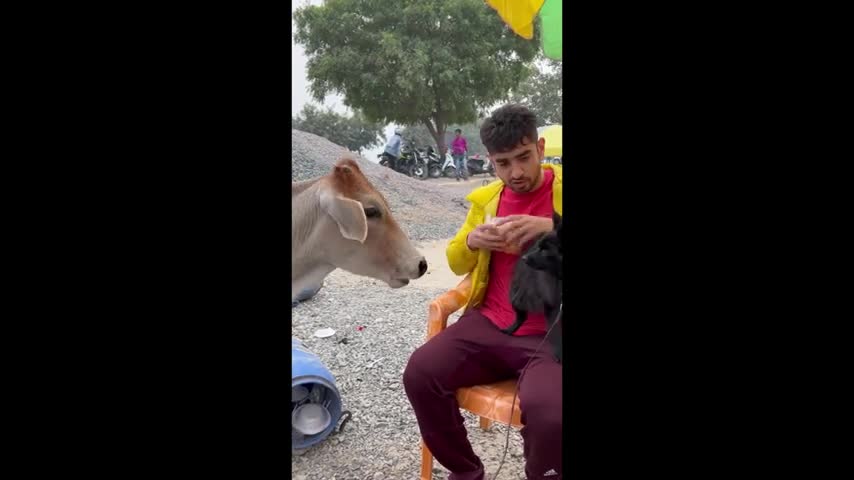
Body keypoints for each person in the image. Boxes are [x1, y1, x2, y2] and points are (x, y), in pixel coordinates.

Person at [403, 104, 563, 480]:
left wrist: (550, 227)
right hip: (489, 323)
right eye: (503, 163)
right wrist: (473, 241)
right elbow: (458, 262)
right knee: (421, 374)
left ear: (540, 148)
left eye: (524, 158)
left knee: (552, 413)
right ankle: (466, 471)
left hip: (549, 335)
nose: (516, 173)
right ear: (491, 161)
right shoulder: (487, 200)